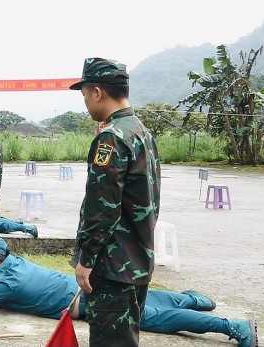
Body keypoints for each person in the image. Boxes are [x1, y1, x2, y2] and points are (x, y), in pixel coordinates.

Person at [0, 234, 258, 347]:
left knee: (154, 318)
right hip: (85, 285)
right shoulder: (13, 264)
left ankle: (233, 327)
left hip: (87, 300)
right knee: (147, 298)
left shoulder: (4, 281)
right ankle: (197, 299)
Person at [68, 57, 162, 346]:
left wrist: (86, 259)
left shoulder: (111, 138)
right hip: (136, 259)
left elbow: (102, 208)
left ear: (97, 93)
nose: (86, 104)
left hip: (112, 266)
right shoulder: (141, 132)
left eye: (85, 96)